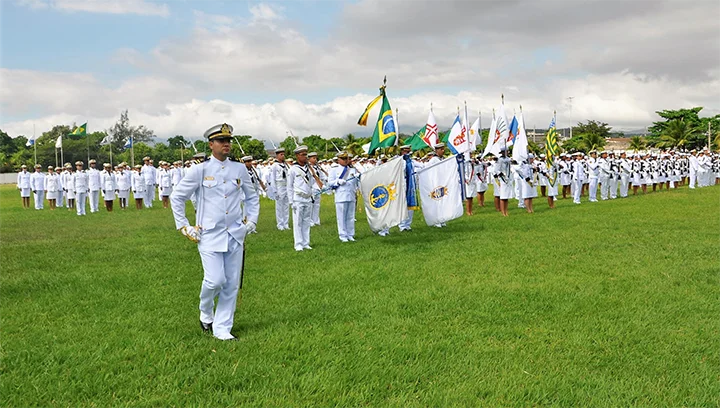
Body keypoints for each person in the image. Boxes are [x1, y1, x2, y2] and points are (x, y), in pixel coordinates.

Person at [170, 123, 259, 341]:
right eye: (221, 141)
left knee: (231, 284)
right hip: (209, 234)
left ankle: (222, 329)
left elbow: (252, 196)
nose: (226, 144)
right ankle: (206, 311)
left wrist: (251, 221)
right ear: (211, 145)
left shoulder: (239, 169)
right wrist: (184, 226)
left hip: (235, 233)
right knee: (214, 280)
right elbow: (177, 197)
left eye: (228, 141)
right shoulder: (200, 170)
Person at [287, 146, 321, 251]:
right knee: (297, 222)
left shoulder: (309, 169)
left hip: (308, 197)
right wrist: (291, 201)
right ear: (297, 156)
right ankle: (298, 244)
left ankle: (306, 242)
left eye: (306, 154)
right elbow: (289, 186)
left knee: (306, 221)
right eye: (302, 155)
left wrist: (315, 191)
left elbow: (312, 182)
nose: (305, 157)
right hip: (298, 198)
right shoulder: (293, 169)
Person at [328, 151, 358, 242]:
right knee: (341, 217)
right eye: (343, 159)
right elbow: (330, 183)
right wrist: (337, 181)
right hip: (341, 196)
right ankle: (343, 235)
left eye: (347, 159)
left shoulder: (352, 170)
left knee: (350, 216)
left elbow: (356, 183)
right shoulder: (334, 170)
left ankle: (350, 234)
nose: (345, 161)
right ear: (338, 160)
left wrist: (358, 178)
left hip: (351, 195)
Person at [268, 148, 290, 230]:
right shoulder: (274, 166)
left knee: (286, 206)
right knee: (279, 206)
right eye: (281, 154)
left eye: (283, 154)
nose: (283, 156)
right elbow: (272, 178)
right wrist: (274, 190)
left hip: (286, 185)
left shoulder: (286, 165)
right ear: (277, 155)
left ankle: (286, 223)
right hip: (279, 186)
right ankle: (280, 224)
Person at [308, 152, 327, 227]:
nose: (315, 159)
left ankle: (316, 220)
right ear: (309, 159)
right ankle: (310, 221)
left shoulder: (317, 167)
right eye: (313, 158)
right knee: (311, 205)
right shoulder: (307, 167)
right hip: (311, 188)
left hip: (318, 188)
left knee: (317, 205)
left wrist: (326, 180)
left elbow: (321, 176)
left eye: (316, 158)